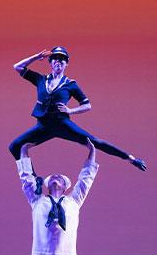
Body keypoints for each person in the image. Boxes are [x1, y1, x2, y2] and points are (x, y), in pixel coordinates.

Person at [9, 46, 147, 171]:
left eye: (62, 60)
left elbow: (87, 105)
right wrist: (35, 57)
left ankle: (131, 159)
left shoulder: (70, 85)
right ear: (50, 62)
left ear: (66, 64)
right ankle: (33, 177)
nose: (58, 61)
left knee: (95, 142)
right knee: (15, 146)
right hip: (43, 127)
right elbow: (18, 67)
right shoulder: (40, 79)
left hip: (63, 124)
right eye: (55, 59)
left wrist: (70, 111)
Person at [17, 138, 99, 255]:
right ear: (46, 184)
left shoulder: (73, 202)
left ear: (65, 186)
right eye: (53, 176)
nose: (56, 177)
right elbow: (27, 179)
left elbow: (86, 180)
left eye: (60, 178)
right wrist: (24, 152)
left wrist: (91, 152)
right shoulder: (38, 200)